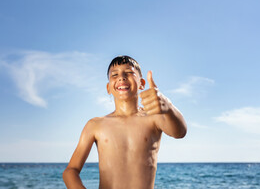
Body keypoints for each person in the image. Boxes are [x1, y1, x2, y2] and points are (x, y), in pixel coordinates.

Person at [63, 55, 187, 189]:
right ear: (108, 88)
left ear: (142, 84)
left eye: (129, 72)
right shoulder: (95, 125)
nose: (121, 77)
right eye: (114, 75)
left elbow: (180, 132)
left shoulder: (153, 118)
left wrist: (168, 107)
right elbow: (71, 171)